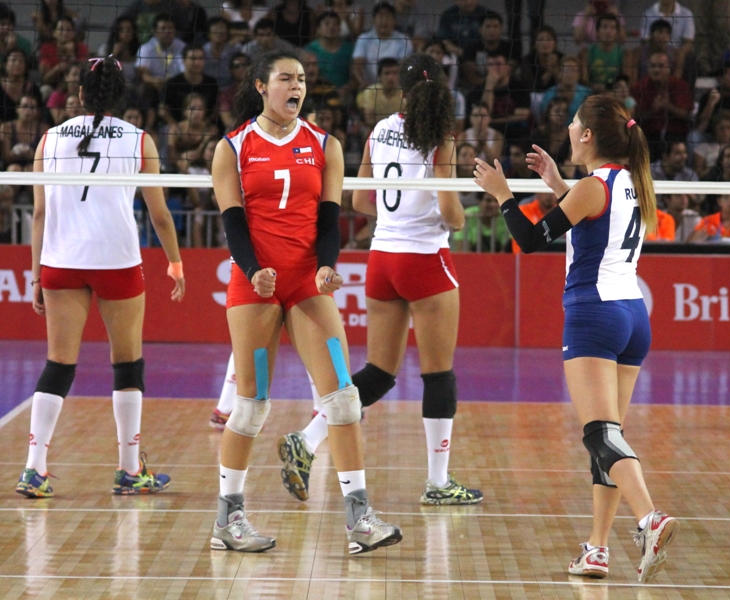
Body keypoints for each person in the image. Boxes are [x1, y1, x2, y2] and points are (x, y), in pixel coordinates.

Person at [473, 94, 678, 582]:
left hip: (594, 314)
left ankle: (650, 518)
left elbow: (528, 242)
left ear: (588, 136)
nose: (566, 128)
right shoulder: (628, 181)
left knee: (599, 434)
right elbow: (594, 217)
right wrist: (558, 185)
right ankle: (598, 548)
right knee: (609, 437)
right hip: (632, 316)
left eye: (572, 123)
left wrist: (503, 194)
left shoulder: (592, 185)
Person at [210, 48, 402, 554]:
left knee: (343, 397)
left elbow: (329, 217)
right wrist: (254, 271)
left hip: (304, 282)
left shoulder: (325, 144)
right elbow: (232, 222)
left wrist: (326, 264)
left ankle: (360, 520)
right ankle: (228, 521)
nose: (296, 87)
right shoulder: (232, 147)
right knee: (250, 407)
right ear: (260, 87)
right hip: (255, 284)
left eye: (300, 80)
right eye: (285, 79)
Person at [279, 53, 483, 508]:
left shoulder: (379, 131)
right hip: (425, 259)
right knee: (439, 375)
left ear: (403, 92)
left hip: (382, 261)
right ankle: (437, 481)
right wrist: (459, 213)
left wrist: (396, 210)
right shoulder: (440, 139)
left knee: (379, 372)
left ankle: (308, 439)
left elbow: (360, 200)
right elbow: (452, 215)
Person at [17, 56, 185, 500]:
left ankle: (34, 470)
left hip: (61, 259)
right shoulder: (139, 140)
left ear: (78, 94)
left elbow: (38, 213)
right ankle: (129, 470)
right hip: (116, 259)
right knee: (127, 362)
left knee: (59, 364)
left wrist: (35, 276)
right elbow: (160, 214)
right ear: (119, 96)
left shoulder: (49, 139)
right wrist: (176, 263)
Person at [351, 2, 412, 89]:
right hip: (369, 87)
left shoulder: (404, 40)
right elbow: (357, 66)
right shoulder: (364, 39)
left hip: (396, 88)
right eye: (380, 16)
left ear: (395, 21)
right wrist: (364, 84)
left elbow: (404, 67)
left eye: (388, 17)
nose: (384, 20)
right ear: (373, 20)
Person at [579, 13, 628, 93]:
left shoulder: (623, 53)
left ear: (617, 33)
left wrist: (607, 88)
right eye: (605, 27)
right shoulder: (587, 52)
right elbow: (583, 80)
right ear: (597, 32)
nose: (608, 31)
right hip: (591, 93)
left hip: (615, 93)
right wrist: (593, 86)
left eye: (612, 28)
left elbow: (626, 80)